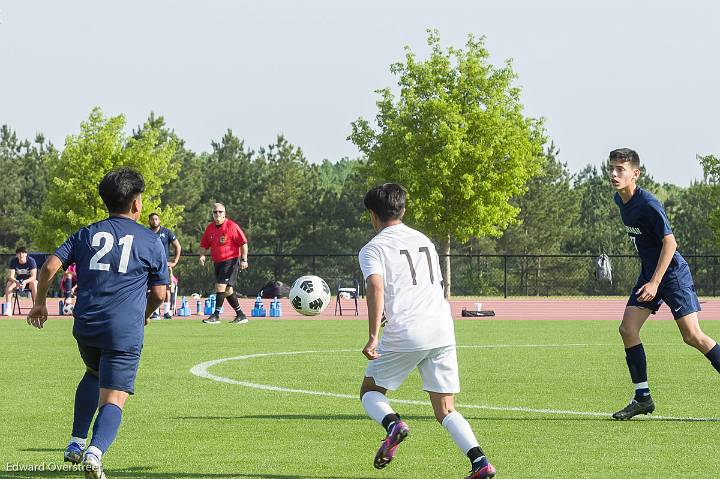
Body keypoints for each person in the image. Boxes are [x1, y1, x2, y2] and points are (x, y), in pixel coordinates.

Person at [26, 168, 168, 479]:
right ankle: (95, 452)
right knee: (115, 395)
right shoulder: (151, 240)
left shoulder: (86, 233)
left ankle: (76, 442)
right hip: (123, 330)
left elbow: (50, 265)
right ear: (136, 204)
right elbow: (159, 292)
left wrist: (39, 302)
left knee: (92, 373)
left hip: (86, 326)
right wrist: (144, 314)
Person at [358, 183, 496, 479]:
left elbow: (375, 285)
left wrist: (373, 335)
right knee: (446, 408)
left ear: (372, 214)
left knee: (370, 391)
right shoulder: (423, 239)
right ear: (403, 209)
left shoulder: (373, 248)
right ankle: (480, 461)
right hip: (441, 328)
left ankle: (393, 424)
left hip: (408, 330)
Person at [608, 148, 720, 420]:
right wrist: (650, 279)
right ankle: (642, 397)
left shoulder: (648, 204)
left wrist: (656, 282)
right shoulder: (619, 200)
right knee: (627, 329)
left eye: (620, 169)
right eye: (611, 168)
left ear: (635, 173)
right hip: (650, 274)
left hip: (671, 274)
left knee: (692, 336)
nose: (613, 174)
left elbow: (670, 243)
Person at [199, 202, 249, 324]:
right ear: (212, 214)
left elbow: (243, 243)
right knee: (227, 291)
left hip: (230, 261)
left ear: (224, 213)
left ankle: (215, 315)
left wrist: (244, 259)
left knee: (220, 286)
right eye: (215, 212)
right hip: (217, 262)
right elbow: (204, 244)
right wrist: (202, 255)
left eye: (220, 212)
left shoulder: (231, 226)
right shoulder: (210, 228)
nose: (217, 214)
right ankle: (241, 315)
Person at [148, 212, 181, 319]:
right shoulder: (146, 232)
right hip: (150, 265)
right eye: (152, 219)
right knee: (152, 288)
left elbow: (178, 246)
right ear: (149, 221)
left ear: (159, 220)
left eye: (156, 219)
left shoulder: (167, 232)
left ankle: (167, 311)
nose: (154, 221)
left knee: (166, 288)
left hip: (163, 266)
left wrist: (175, 261)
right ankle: (155, 312)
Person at [4, 246, 38, 315]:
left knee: (34, 283)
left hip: (29, 282)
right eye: (19, 253)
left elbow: (34, 277)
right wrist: (17, 282)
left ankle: (36, 307)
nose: (21, 254)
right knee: (9, 283)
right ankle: (8, 308)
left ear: (26, 254)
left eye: (23, 253)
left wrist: (25, 282)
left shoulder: (31, 261)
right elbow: (10, 276)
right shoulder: (13, 261)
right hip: (18, 282)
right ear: (16, 255)